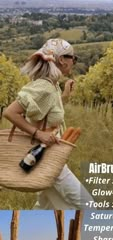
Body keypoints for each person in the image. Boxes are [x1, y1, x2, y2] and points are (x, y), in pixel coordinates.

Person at [3, 38, 93, 209]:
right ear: (61, 60)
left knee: (44, 207)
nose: (74, 62)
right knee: (88, 205)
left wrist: (64, 96)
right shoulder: (44, 87)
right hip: (46, 156)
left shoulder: (52, 86)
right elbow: (10, 112)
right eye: (73, 58)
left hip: (47, 155)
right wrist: (39, 134)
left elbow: (47, 112)